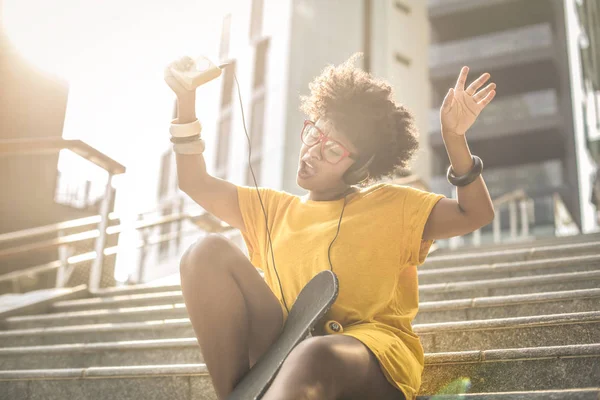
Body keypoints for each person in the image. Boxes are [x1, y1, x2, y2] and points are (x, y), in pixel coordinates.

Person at [164, 52, 496, 400]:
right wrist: (185, 99)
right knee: (204, 252)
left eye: (333, 150)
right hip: (285, 344)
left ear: (360, 168)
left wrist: (454, 138)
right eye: (314, 135)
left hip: (369, 353)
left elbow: (474, 214)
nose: (312, 153)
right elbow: (194, 181)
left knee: (314, 354)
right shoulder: (272, 210)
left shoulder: (391, 204)